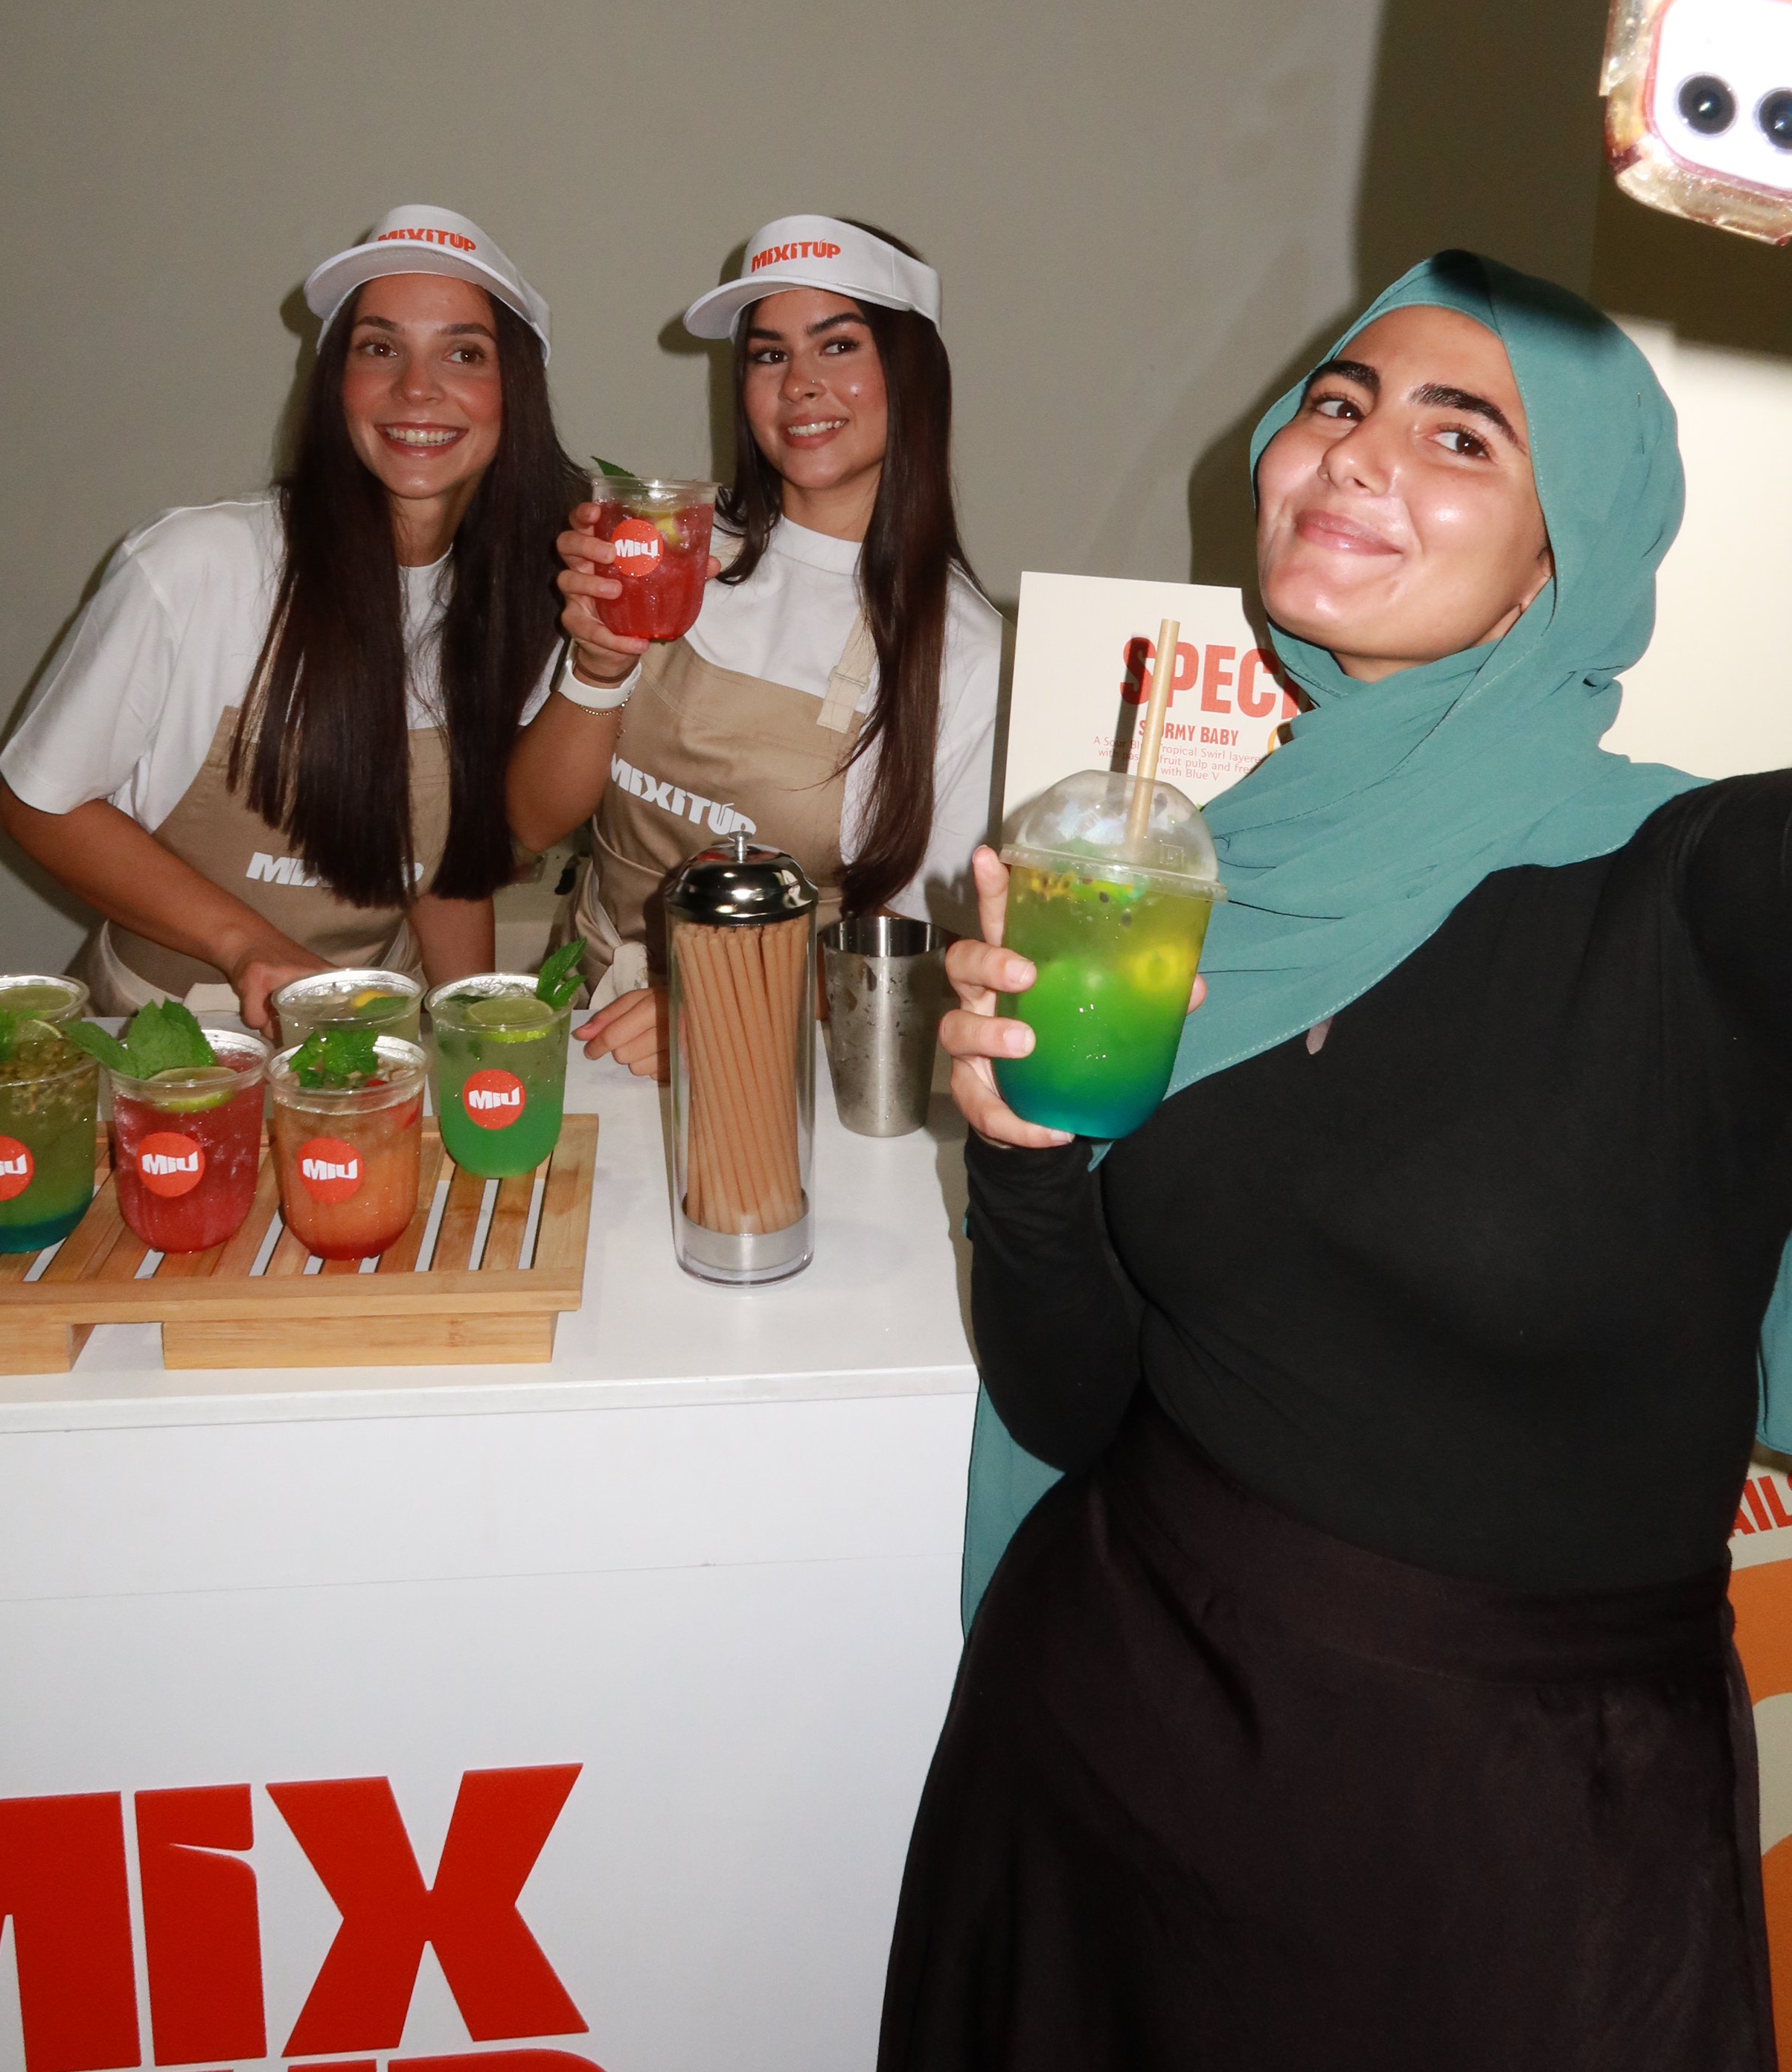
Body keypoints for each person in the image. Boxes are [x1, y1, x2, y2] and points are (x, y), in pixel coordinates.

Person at [880, 251, 1787, 2072]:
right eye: (1336, 402)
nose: (1356, 452)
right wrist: (1026, 1156)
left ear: (1559, 566)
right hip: (1107, 1755)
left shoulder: (1686, 885)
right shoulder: (1184, 874)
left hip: (1507, 1850)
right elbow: (1074, 1402)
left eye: (1463, 435)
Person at [0, 206, 583, 1030]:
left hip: (378, 1031)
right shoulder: (199, 565)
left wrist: (467, 1033)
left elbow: (448, 872)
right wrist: (247, 945)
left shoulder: (521, 599)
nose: (417, 388)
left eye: (464, 353)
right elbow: (40, 805)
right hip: (168, 1035)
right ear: (335, 383)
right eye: (378, 348)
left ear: (513, 394)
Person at [508, 216, 1004, 1078]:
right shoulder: (664, 550)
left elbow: (924, 947)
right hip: (576, 1030)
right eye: (769, 355)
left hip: (780, 1067)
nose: (800, 384)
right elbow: (529, 823)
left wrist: (717, 1006)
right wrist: (596, 670)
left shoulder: (962, 650)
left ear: (912, 373)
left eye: (838, 346)